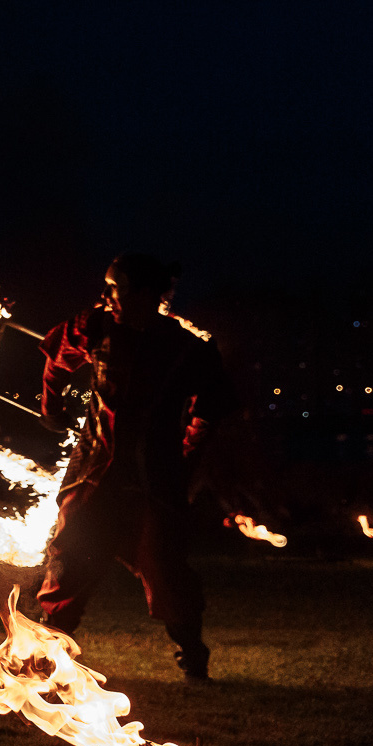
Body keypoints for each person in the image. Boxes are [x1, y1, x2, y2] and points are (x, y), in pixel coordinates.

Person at [35, 253, 238, 677]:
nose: (107, 296)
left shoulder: (188, 349)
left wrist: (185, 456)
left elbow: (210, 408)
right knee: (70, 559)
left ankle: (192, 660)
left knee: (164, 569)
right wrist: (50, 408)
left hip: (154, 481)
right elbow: (56, 358)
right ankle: (45, 660)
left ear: (147, 295)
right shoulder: (96, 327)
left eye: (117, 289)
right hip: (95, 471)